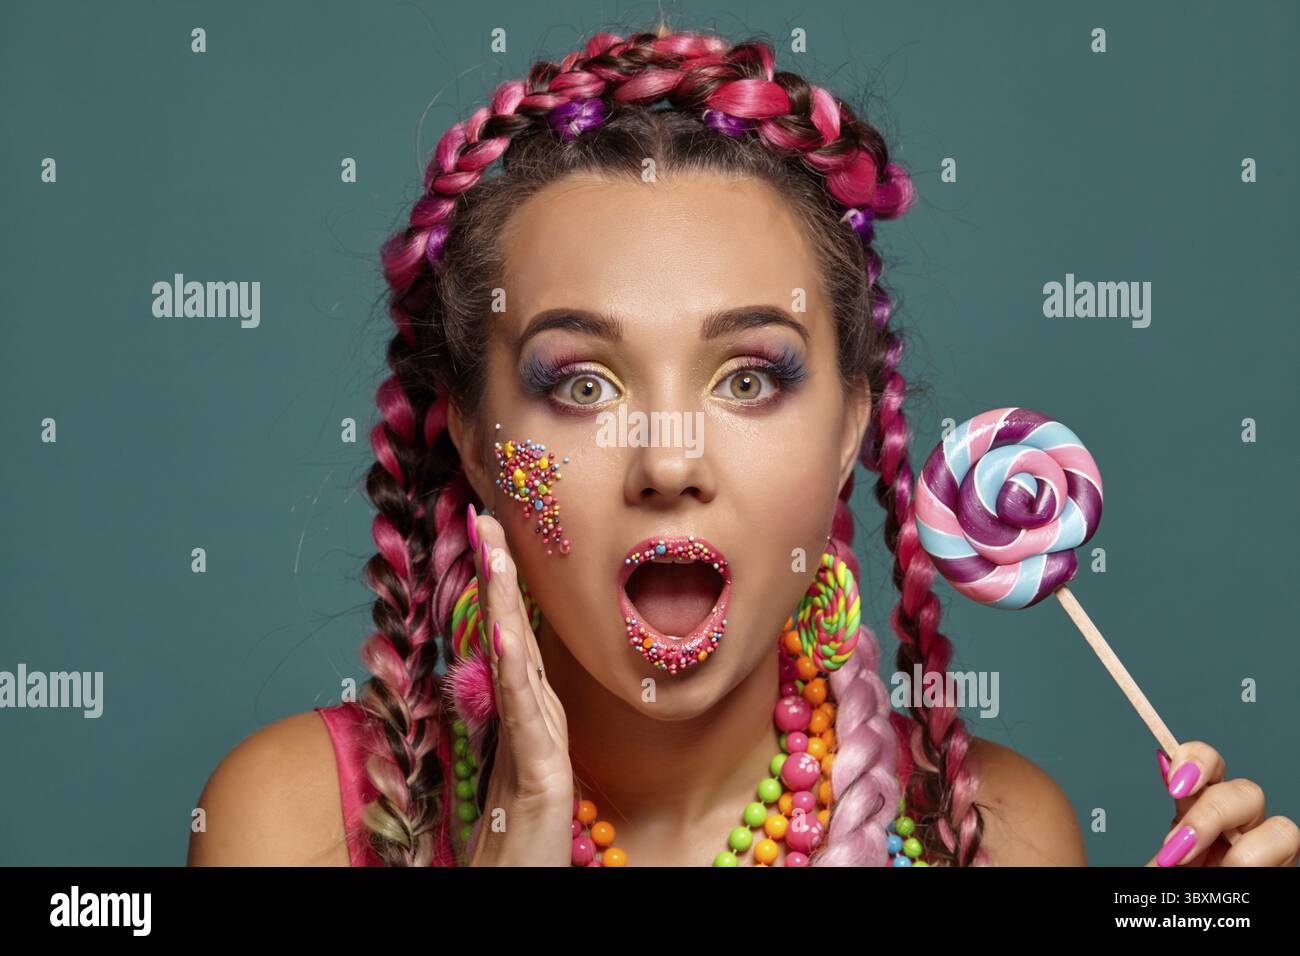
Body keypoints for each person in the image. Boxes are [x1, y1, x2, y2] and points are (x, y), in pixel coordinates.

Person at [187, 24, 1298, 868]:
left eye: (749, 376)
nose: (669, 460)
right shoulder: (294, 821)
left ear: (851, 423)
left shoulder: (999, 835)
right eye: (579, 381)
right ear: (475, 439)